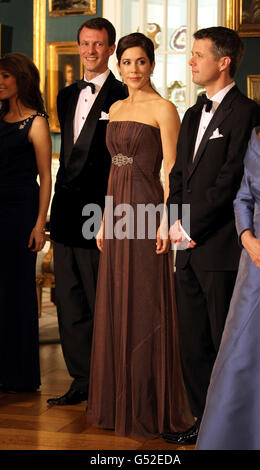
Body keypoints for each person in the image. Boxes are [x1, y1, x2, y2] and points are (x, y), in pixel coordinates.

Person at [86, 32, 197, 442]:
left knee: (146, 301)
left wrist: (169, 222)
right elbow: (113, 170)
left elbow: (173, 171)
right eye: (127, 62)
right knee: (116, 299)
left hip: (148, 212)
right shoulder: (115, 107)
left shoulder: (165, 108)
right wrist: (100, 220)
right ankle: (118, 402)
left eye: (141, 62)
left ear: (151, 64)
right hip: (115, 214)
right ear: (119, 65)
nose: (133, 69)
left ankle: (151, 404)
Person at [163, 26, 260, 444]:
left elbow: (233, 181)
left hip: (223, 249)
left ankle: (226, 428)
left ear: (223, 62)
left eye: (198, 54)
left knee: (224, 343)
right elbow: (179, 176)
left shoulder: (248, 113)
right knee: (193, 345)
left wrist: (190, 226)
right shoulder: (190, 113)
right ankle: (202, 423)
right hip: (186, 249)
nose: (191, 61)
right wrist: (175, 223)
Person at [48, 18, 127, 406]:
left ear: (110, 49)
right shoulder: (65, 95)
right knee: (69, 299)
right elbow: (67, 159)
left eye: (98, 44)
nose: (91, 51)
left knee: (101, 299)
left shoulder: (124, 94)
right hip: (64, 211)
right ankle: (80, 379)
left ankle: (107, 383)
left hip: (101, 211)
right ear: (78, 46)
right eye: (85, 43)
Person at [196, 62, 260, 450]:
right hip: (256, 261)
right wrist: (247, 238)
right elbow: (242, 197)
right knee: (242, 353)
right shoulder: (258, 138)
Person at [0, 53, 52, 392]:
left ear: (21, 78)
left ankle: (18, 376)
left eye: (5, 76)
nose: (0, 82)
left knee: (14, 291)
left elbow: (46, 177)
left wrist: (39, 224)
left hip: (19, 214)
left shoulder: (36, 122)